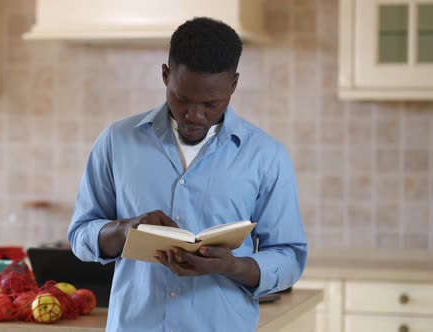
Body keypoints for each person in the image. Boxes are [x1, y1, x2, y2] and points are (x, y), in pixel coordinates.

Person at [68, 17, 307, 332]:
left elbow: (289, 256)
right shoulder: (117, 141)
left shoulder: (266, 156)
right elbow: (80, 235)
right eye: (182, 99)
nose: (195, 115)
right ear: (166, 75)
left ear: (233, 85)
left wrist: (234, 266)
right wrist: (126, 228)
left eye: (211, 104)